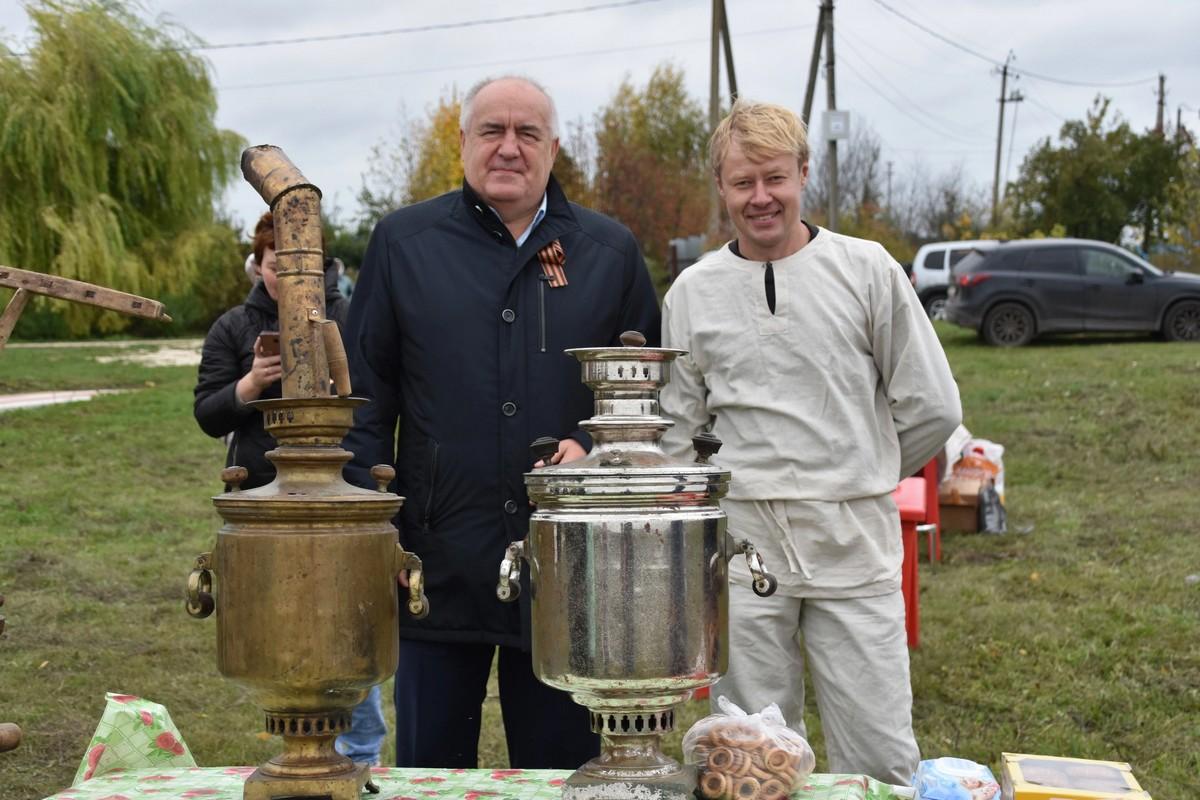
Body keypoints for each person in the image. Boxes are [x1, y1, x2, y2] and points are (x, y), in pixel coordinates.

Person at [342, 75, 660, 769]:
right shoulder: (404, 244)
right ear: (462, 143)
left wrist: (596, 443)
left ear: (554, 148)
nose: (508, 148)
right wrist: (378, 532)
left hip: (568, 569)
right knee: (428, 770)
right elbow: (365, 400)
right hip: (433, 562)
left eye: (527, 133)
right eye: (492, 131)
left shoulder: (608, 254)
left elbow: (647, 400)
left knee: (560, 771)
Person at [659, 100, 962, 784]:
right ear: (721, 188)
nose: (760, 198)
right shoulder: (693, 293)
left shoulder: (868, 270)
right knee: (747, 760)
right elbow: (679, 431)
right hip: (743, 551)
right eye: (743, 183)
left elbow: (933, 406)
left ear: (802, 174)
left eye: (774, 178)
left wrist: (861, 472)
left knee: (879, 752)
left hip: (854, 540)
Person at [193, 212, 385, 765]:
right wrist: (250, 385)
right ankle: (297, 747)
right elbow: (208, 413)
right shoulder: (233, 327)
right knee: (279, 632)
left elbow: (371, 399)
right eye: (278, 266)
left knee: (348, 626)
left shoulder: (346, 317)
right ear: (261, 265)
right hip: (264, 504)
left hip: (338, 498)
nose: (288, 278)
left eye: (301, 266)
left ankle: (363, 756)